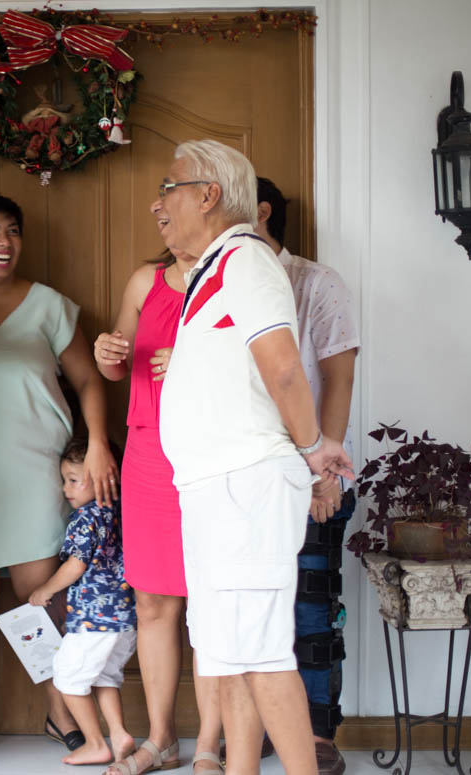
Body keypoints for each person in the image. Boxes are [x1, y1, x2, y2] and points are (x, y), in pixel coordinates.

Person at [154, 139, 354, 775]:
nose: (158, 203)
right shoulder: (208, 272)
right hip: (211, 488)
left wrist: (316, 450)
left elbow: (285, 371)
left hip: (246, 485)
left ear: (208, 195)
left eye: (169, 186)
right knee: (228, 653)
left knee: (263, 653)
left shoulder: (245, 260)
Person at [0, 192, 118, 765]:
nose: (5, 242)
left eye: (11, 231)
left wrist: (98, 451)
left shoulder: (49, 306)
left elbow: (89, 381)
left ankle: (60, 712)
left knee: (41, 599)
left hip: (38, 473)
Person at [93, 242, 225, 775]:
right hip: (149, 450)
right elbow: (118, 366)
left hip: (218, 448)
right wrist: (108, 355)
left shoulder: (236, 274)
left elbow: (263, 361)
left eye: (172, 202)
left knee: (214, 603)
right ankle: (162, 739)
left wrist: (194, 361)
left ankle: (213, 745)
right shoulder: (145, 280)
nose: (163, 216)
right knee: (152, 604)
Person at [254, 177, 360, 775]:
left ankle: (318, 735)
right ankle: (270, 725)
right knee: (259, 611)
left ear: (262, 213)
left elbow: (337, 380)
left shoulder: (316, 283)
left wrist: (326, 474)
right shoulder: (223, 285)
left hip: (311, 480)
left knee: (313, 613)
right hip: (248, 481)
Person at [29, 439, 136, 767]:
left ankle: (94, 743)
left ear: (107, 477)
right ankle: (119, 734)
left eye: (74, 480)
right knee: (104, 676)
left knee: (67, 677)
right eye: (65, 480)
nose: (65, 489)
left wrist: (45, 589)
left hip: (93, 618)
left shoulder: (85, 517)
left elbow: (75, 565)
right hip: (125, 618)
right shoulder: (121, 509)